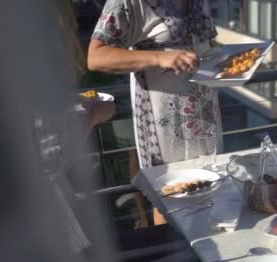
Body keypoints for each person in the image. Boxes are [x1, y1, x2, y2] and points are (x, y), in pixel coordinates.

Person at [87, 0, 222, 225]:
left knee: (211, 191)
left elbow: (205, 46)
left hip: (205, 116)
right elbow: (96, 57)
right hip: (163, 125)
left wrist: (231, 63)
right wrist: (159, 57)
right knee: (170, 198)